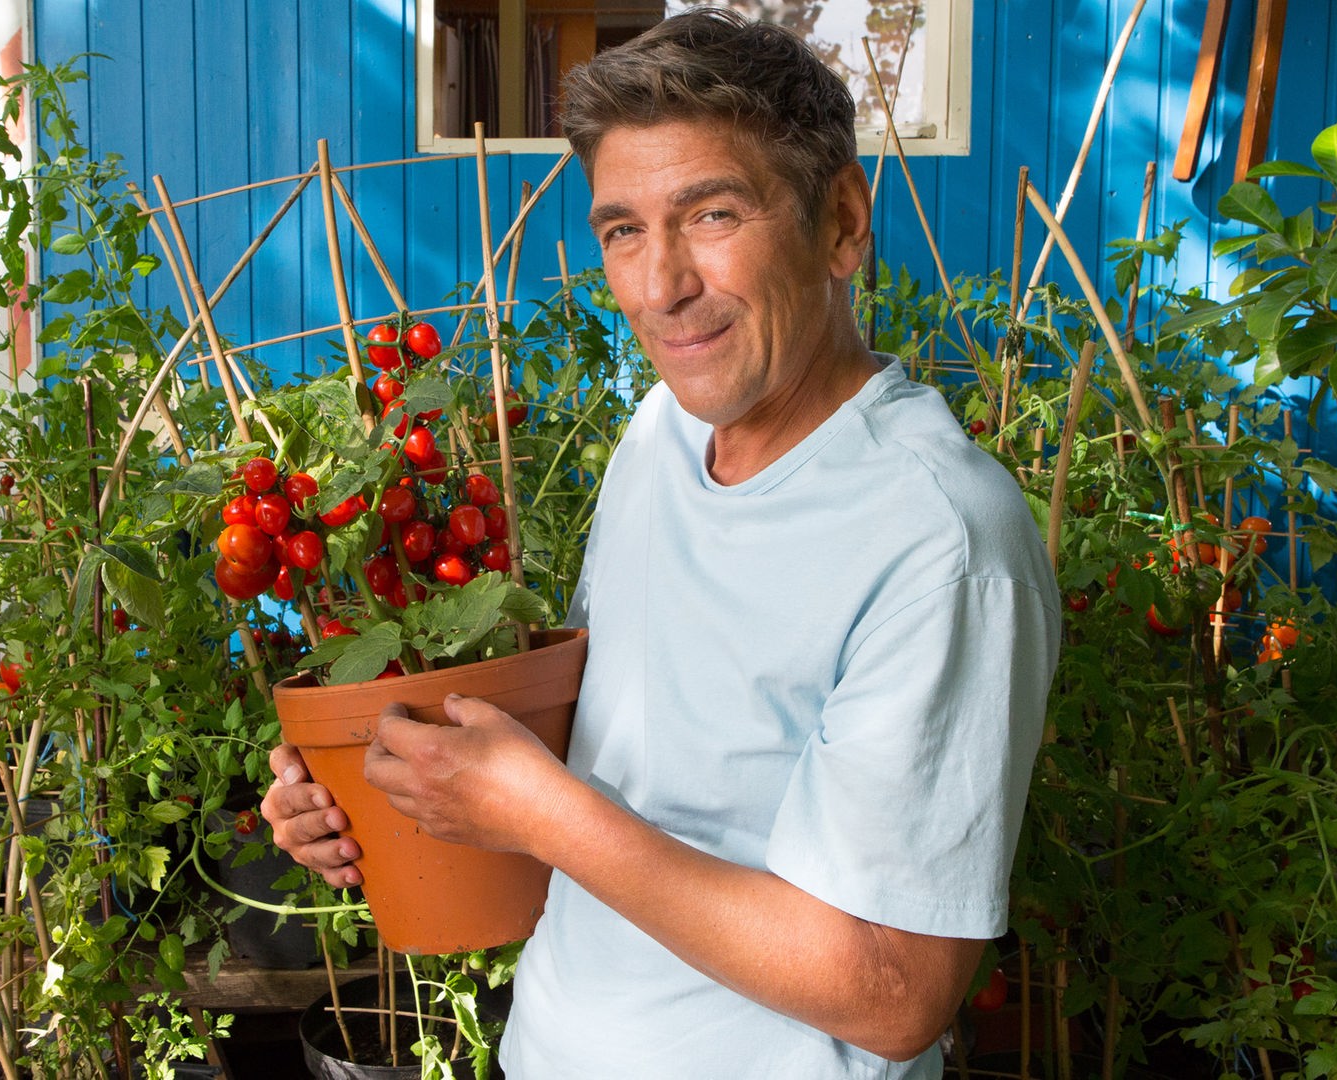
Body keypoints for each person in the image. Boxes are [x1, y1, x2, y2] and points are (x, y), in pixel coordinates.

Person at [261, 10, 1060, 1077]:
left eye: (712, 214)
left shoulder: (938, 539)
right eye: (622, 230)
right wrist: (375, 790)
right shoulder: (662, 432)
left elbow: (895, 989)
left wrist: (543, 811)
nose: (658, 284)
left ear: (841, 222)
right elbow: (619, 757)